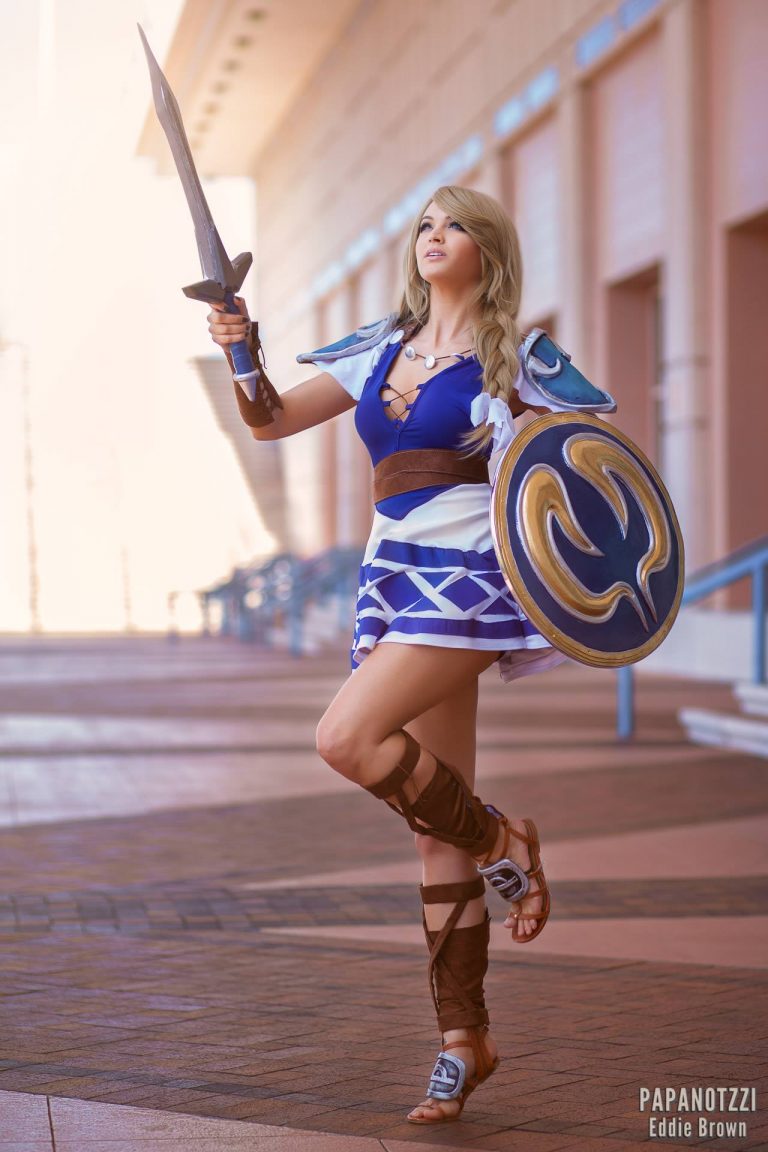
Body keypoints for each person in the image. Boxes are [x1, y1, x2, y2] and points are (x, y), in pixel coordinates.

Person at [207, 185, 577, 1125]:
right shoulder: (379, 348)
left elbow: (587, 469)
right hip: (395, 579)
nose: (434, 237)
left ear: (488, 248)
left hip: (470, 582)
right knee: (430, 829)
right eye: (425, 225)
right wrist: (241, 348)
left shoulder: (519, 357)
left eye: (454, 226)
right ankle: (464, 1040)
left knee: (345, 738)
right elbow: (270, 419)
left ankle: (503, 842)